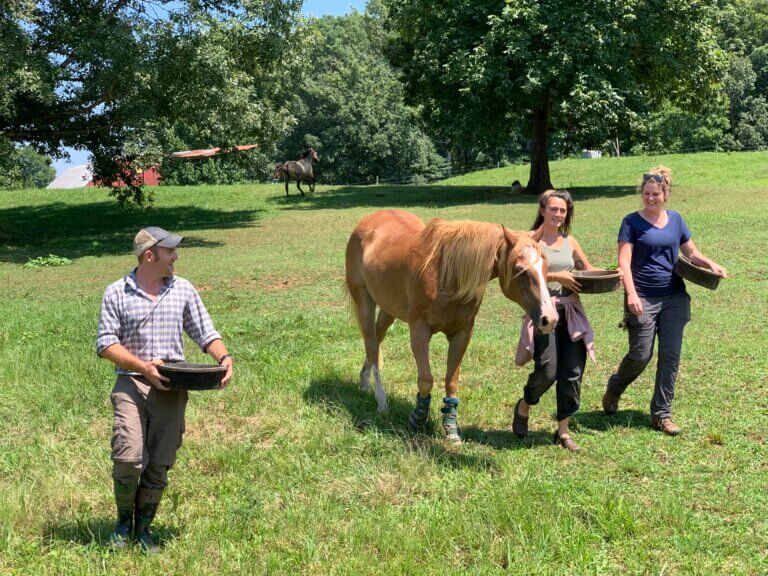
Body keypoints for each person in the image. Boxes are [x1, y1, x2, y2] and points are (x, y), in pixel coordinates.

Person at [96, 226, 234, 552]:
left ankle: (143, 529)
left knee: (159, 463)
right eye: (170, 251)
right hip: (131, 383)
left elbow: (205, 332)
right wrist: (142, 367)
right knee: (128, 459)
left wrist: (224, 356)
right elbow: (105, 344)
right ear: (149, 255)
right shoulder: (116, 292)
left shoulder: (183, 289)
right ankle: (122, 521)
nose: (176, 256)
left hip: (173, 387)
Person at [602, 166, 727, 435]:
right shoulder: (631, 222)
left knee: (670, 357)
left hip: (674, 298)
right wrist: (631, 293)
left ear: (665, 193)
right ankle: (615, 387)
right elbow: (624, 261)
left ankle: (661, 414)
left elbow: (691, 252)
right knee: (640, 355)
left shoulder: (677, 220)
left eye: (655, 194)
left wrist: (712, 264)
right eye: (646, 193)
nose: (650, 198)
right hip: (643, 297)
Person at [513, 189, 600, 452]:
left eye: (563, 210)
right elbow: (522, 274)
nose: (558, 214)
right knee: (548, 369)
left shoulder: (570, 242)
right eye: (553, 209)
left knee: (572, 373)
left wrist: (613, 273)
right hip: (543, 311)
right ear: (542, 210)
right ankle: (524, 405)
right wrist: (557, 277)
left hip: (571, 312)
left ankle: (563, 432)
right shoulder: (528, 241)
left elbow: (587, 269)